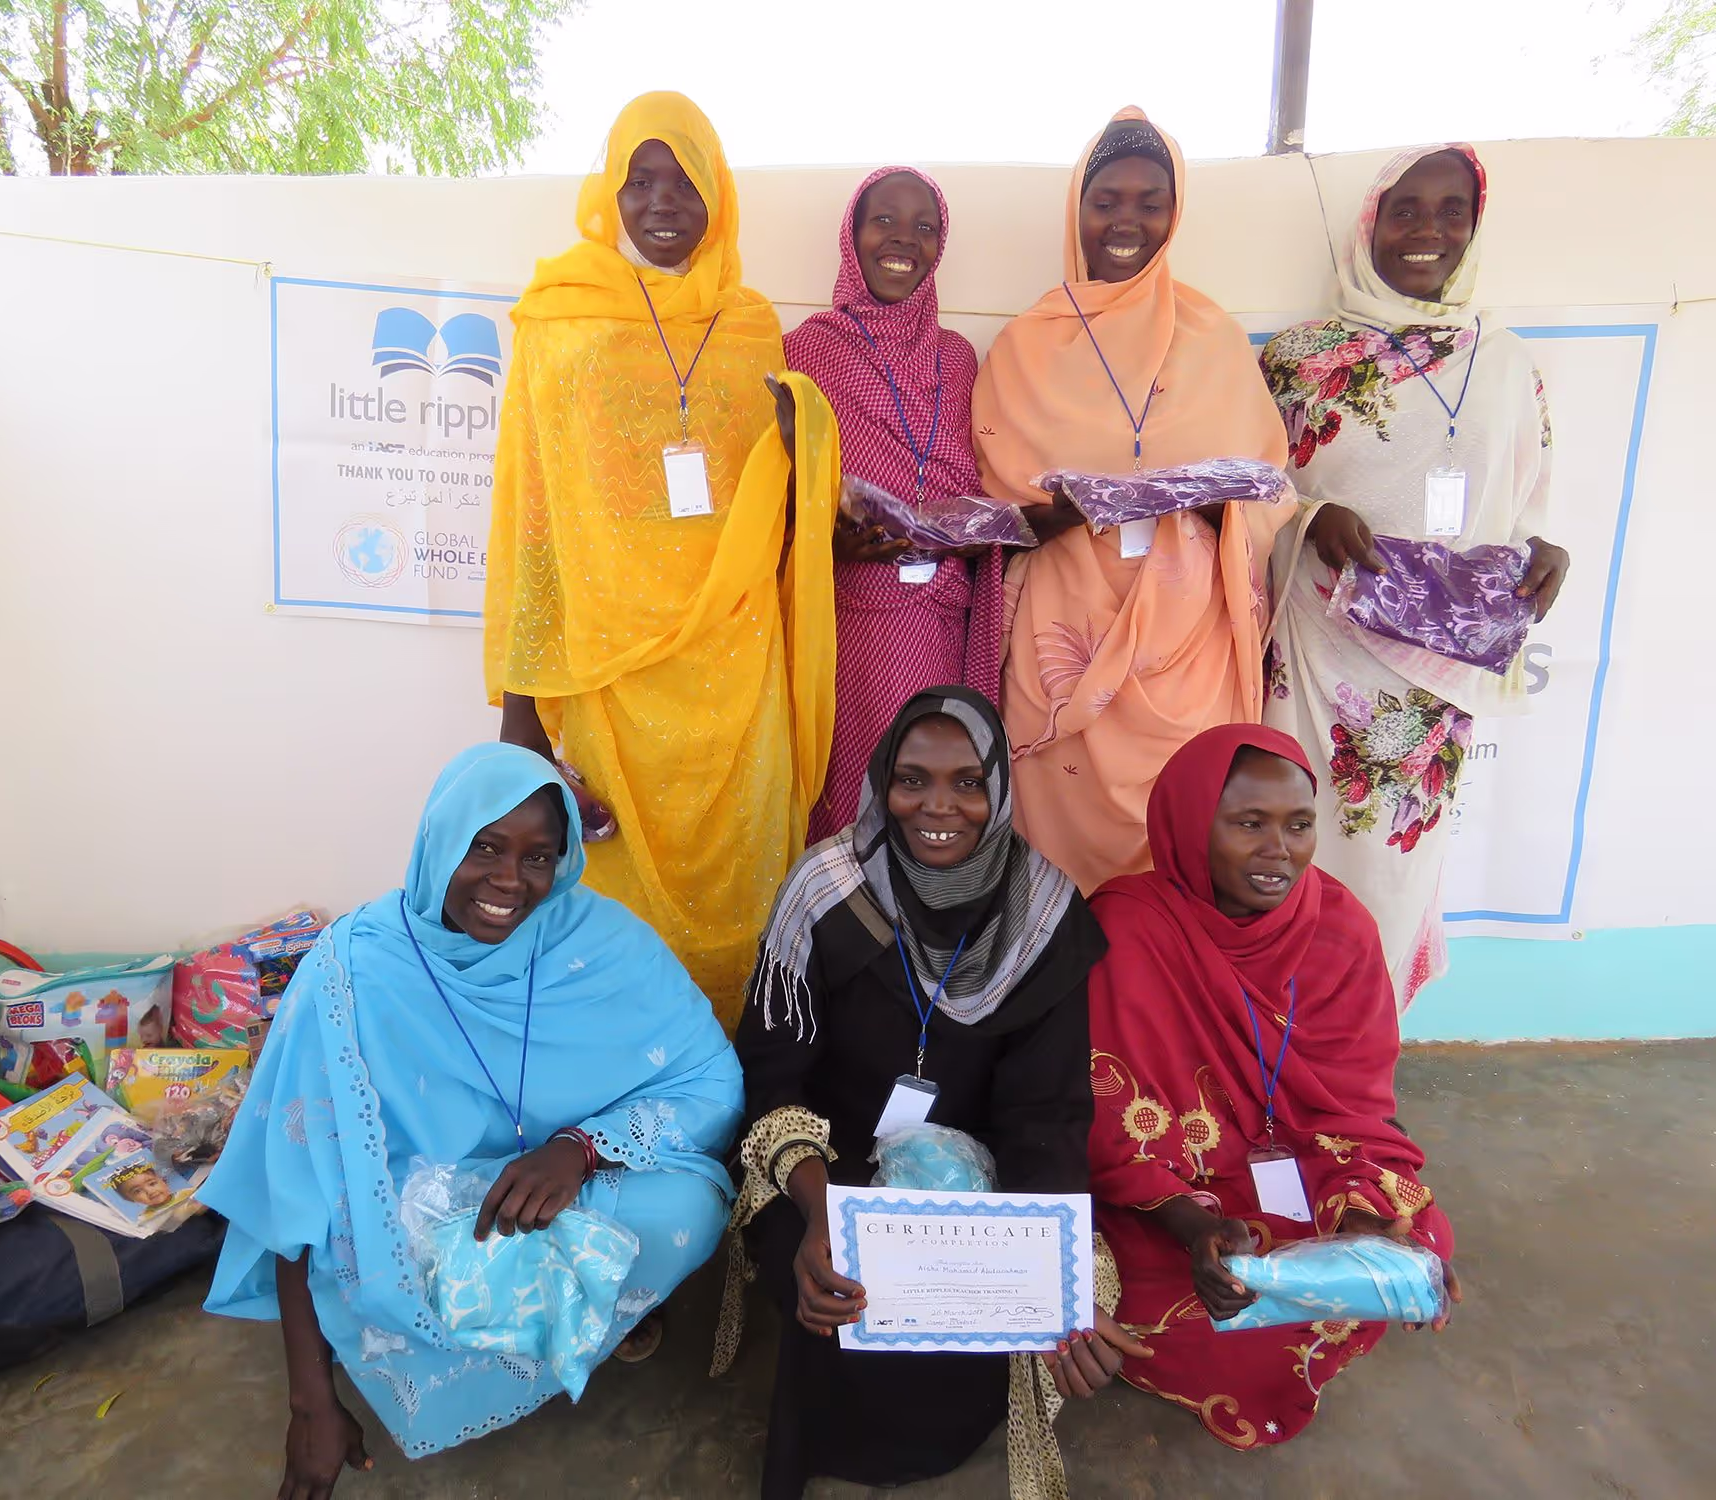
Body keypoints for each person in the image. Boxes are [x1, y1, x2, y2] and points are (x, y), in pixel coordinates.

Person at [201, 743, 743, 1495]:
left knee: (690, 1203)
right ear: (437, 841)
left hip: (554, 1185)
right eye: (483, 847)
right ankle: (557, 1302)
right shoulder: (351, 966)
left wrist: (579, 1149)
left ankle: (583, 1309)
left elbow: (709, 1078)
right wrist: (310, 1405)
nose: (509, 881)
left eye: (539, 856)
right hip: (412, 1217)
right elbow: (295, 1190)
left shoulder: (600, 942)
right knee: (365, 1246)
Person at [717, 688, 1151, 1500]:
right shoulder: (827, 890)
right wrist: (821, 1213)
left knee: (1006, 1300)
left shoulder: (1043, 916)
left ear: (999, 790)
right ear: (881, 782)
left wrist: (1048, 1273)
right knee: (832, 1277)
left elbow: (1044, 1116)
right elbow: (774, 1074)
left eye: (966, 782)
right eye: (912, 780)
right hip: (825, 1165)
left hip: (979, 1187)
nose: (937, 807)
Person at [484, 91, 839, 1028]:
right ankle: (617, 1104)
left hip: (736, 665)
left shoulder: (755, 325)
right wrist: (524, 717)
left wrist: (805, 438)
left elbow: (784, 509)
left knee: (745, 891)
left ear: (718, 195)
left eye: (684, 181)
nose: (661, 202)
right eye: (638, 180)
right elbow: (534, 516)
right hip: (611, 675)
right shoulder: (560, 319)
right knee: (611, 900)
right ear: (609, 191)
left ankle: (735, 1111)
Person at [1087, 724, 1458, 1448]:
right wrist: (1196, 1229)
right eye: (1248, 824)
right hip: (1179, 1200)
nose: (1277, 850)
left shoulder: (1340, 928)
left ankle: (1332, 1270)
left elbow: (1359, 1106)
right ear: (1190, 825)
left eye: (1297, 825)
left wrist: (1361, 1217)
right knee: (1156, 1291)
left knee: (1420, 1236)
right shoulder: (1127, 928)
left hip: (1306, 1163)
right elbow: (1104, 1124)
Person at [1259, 145, 1570, 1005]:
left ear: (1474, 227)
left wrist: (1546, 547)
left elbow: (1528, 490)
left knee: (1396, 868)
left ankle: (1361, 1063)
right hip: (1320, 653)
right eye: (1407, 209)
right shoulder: (1300, 358)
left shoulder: (1506, 362)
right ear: (1372, 222)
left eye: (1451, 211)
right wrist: (1314, 519)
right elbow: (1252, 485)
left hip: (1434, 682)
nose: (1428, 230)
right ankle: (1275, 1052)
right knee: (1293, 849)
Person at [973, 107, 1295, 898]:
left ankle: (1158, 1013)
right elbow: (997, 509)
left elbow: (1269, 492)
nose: (1126, 221)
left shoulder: (1212, 334)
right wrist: (1068, 507)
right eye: (1105, 200)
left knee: (1179, 833)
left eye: (1149, 202)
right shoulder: (1027, 342)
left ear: (1174, 212)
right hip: (1063, 639)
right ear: (1077, 210)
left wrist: (1210, 501)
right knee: (1054, 839)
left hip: (1190, 644)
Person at [783, 168, 1004, 840]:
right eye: (884, 221)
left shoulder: (961, 358)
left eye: (924, 226)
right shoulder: (807, 350)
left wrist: (972, 529)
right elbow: (778, 497)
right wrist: (825, 539)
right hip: (851, 621)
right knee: (852, 794)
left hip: (941, 616)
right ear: (852, 236)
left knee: (936, 794)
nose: (903, 240)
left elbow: (982, 473)